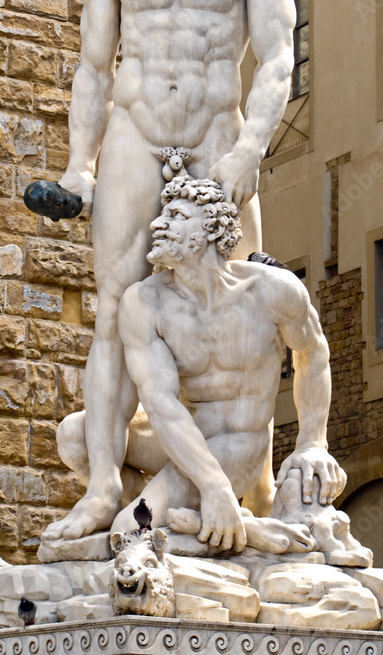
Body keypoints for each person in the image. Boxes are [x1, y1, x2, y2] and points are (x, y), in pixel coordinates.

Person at [43, 0, 298, 542]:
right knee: (114, 307)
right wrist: (78, 168)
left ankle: (252, 485)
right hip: (137, 135)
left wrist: (250, 149)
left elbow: (278, 60)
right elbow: (93, 71)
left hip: (220, 141)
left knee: (246, 305)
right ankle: (97, 488)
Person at [92, 175, 346, 553]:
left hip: (237, 443)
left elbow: (313, 352)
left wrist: (312, 442)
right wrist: (213, 487)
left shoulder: (273, 289)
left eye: (175, 216)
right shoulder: (144, 302)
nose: (158, 225)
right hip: (180, 436)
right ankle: (219, 515)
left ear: (211, 227)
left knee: (129, 530)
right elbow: (161, 404)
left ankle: (209, 518)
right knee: (75, 436)